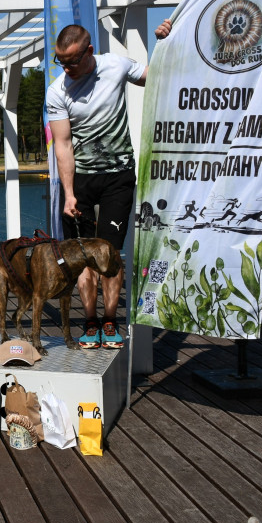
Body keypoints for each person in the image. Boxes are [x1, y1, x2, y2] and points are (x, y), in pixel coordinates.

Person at [46, 19, 172, 349]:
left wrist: (163, 42)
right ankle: (90, 322)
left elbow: (156, 76)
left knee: (110, 254)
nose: (67, 68)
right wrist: (68, 194)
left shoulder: (115, 65)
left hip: (118, 177)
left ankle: (110, 320)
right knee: (83, 257)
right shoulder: (57, 91)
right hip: (82, 182)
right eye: (61, 62)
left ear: (89, 51)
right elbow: (63, 145)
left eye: (73, 61)